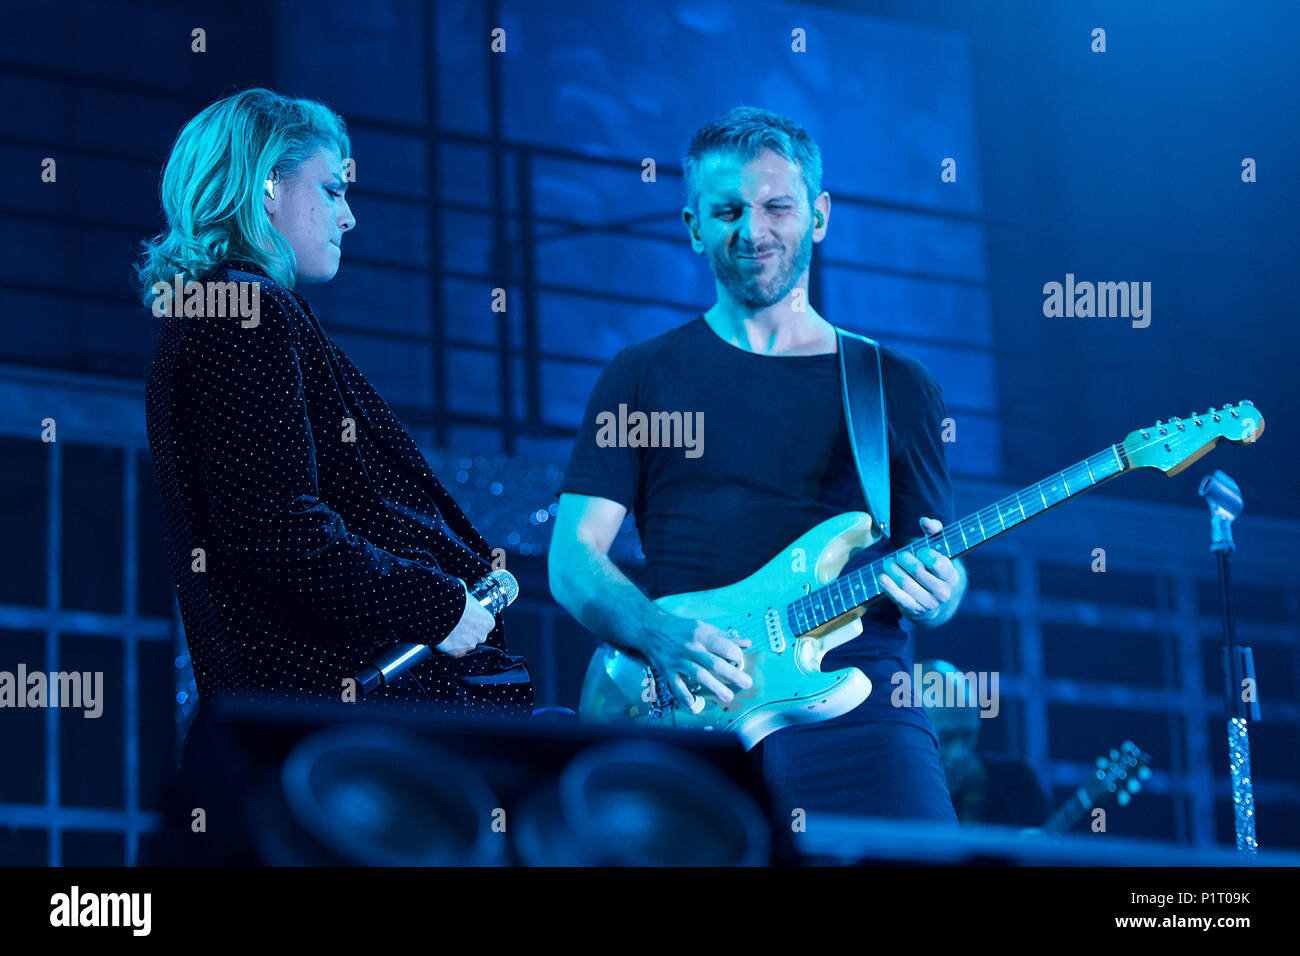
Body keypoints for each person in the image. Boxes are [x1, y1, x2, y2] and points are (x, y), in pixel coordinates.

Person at [549, 106, 966, 821]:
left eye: (778, 206)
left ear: (820, 215)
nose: (754, 230)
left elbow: (942, 573)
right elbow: (572, 558)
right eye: (728, 210)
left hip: (862, 712)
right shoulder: (641, 375)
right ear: (693, 226)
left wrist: (944, 586)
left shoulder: (892, 383)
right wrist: (654, 632)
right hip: (692, 709)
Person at [139, 88, 530, 715]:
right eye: (331, 190)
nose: (348, 217)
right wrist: (434, 605)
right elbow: (276, 522)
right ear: (267, 184)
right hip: (342, 724)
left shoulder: (222, 312)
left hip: (318, 718)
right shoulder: (246, 311)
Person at [918, 660, 1051, 827]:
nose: (959, 753)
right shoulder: (890, 793)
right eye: (945, 738)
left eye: (969, 736)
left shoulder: (1018, 787)